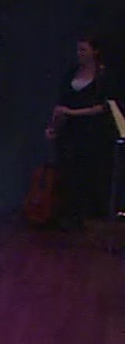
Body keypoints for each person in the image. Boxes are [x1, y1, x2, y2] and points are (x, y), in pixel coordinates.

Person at [47, 36, 115, 225]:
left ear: (95, 52)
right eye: (78, 50)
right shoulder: (71, 74)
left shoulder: (102, 77)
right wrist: (53, 125)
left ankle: (89, 215)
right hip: (69, 132)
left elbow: (103, 107)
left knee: (88, 172)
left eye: (84, 50)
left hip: (91, 132)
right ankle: (69, 213)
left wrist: (74, 112)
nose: (80, 54)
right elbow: (60, 104)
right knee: (68, 172)